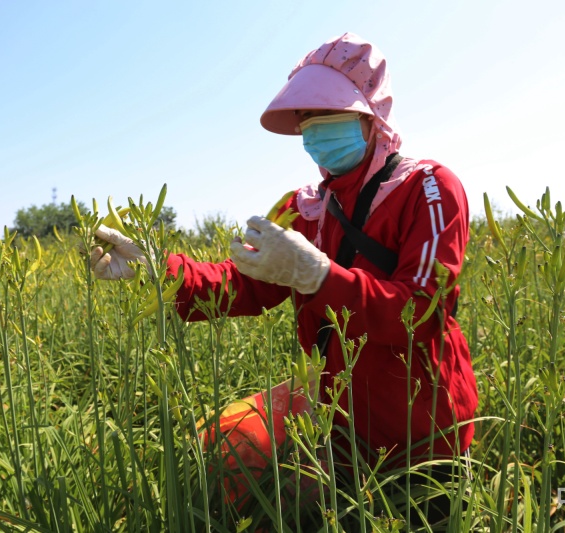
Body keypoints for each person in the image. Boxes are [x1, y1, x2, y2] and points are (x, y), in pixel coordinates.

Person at [91, 32, 478, 521]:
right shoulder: (306, 209)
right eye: (307, 123)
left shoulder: (427, 189)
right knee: (226, 447)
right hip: (336, 417)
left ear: (370, 117)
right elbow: (242, 284)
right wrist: (156, 268)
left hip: (420, 429)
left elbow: (422, 312)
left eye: (329, 118)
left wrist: (319, 276)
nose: (315, 134)